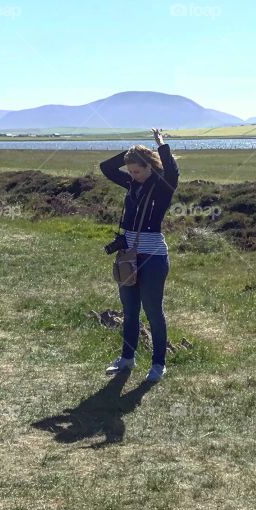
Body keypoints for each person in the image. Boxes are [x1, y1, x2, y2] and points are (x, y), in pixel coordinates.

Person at [99, 128, 179, 382]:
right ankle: (127, 359)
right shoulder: (132, 184)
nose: (133, 176)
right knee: (130, 310)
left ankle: (158, 365)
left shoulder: (162, 185)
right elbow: (106, 168)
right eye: (131, 171)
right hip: (127, 256)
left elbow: (173, 171)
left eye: (137, 171)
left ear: (150, 167)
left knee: (154, 312)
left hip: (153, 257)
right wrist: (131, 153)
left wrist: (160, 145)